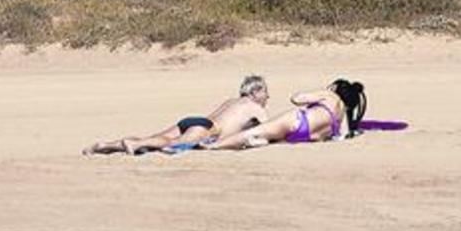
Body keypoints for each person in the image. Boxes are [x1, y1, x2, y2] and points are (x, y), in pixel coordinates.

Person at [82, 75, 271, 155]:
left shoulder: (231, 101)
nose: (268, 96)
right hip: (208, 129)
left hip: (195, 120)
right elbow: (269, 130)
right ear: (255, 92)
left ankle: (107, 145)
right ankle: (135, 143)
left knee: (158, 137)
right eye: (265, 92)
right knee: (171, 144)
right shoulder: (255, 107)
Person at [201, 78, 365, 150]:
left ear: (335, 88)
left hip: (298, 121)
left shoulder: (329, 95)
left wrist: (316, 95)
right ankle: (264, 141)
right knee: (268, 137)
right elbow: (339, 136)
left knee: (253, 132)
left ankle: (214, 146)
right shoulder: (342, 114)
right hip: (309, 137)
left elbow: (296, 99)